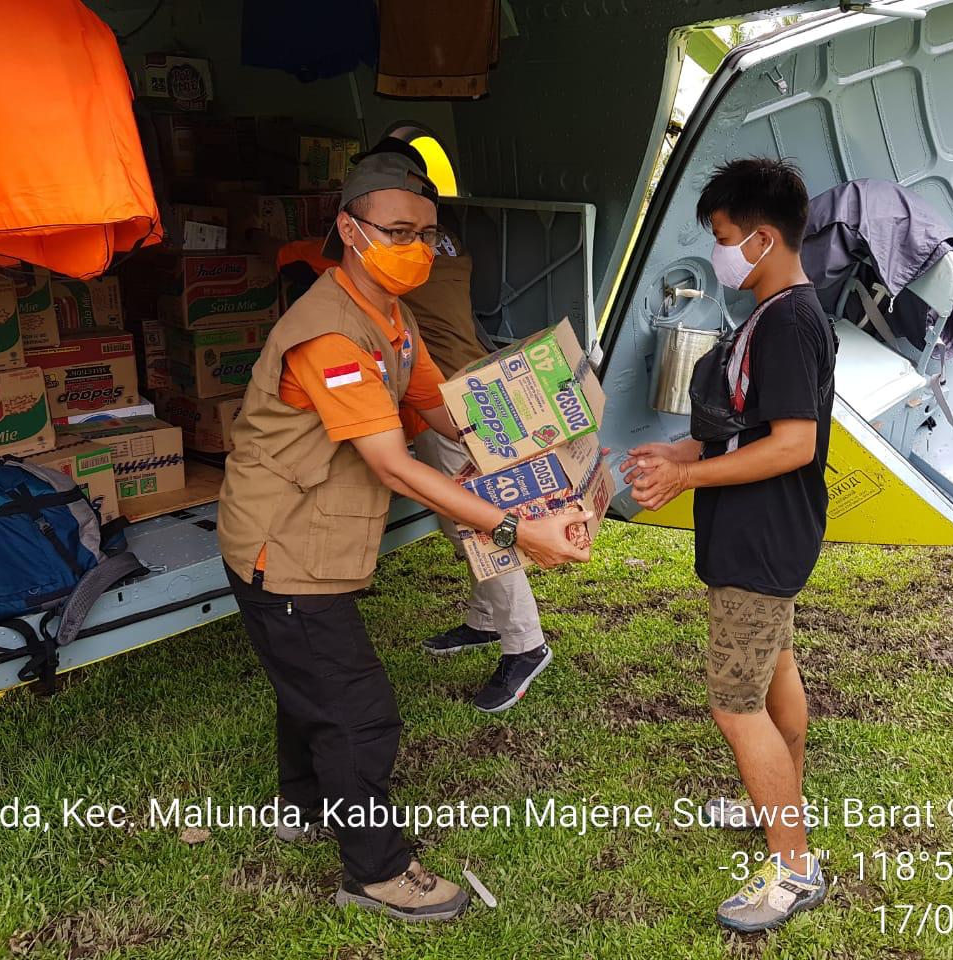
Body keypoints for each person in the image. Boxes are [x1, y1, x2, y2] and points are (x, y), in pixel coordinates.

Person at [217, 139, 591, 923]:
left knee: (310, 688)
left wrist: (548, 458)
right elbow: (393, 465)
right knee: (358, 711)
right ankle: (377, 872)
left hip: (307, 534)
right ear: (349, 231)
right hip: (283, 546)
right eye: (397, 232)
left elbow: (446, 413)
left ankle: (304, 808)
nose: (416, 248)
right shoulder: (330, 334)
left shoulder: (392, 317)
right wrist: (517, 529)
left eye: (426, 234)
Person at [621, 157, 834, 932]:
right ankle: (779, 802)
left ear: (763, 238)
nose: (717, 253)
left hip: (760, 537)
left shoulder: (788, 323)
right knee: (776, 668)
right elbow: (747, 427)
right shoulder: (772, 313)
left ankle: (794, 869)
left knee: (734, 705)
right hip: (766, 533)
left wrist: (687, 478)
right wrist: (681, 452)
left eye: (722, 236)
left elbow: (792, 445)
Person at [400, 212, 553, 713]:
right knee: (469, 521)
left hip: (443, 400)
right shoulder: (446, 242)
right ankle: (485, 621)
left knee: (474, 525)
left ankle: (526, 643)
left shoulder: (401, 256)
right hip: (473, 385)